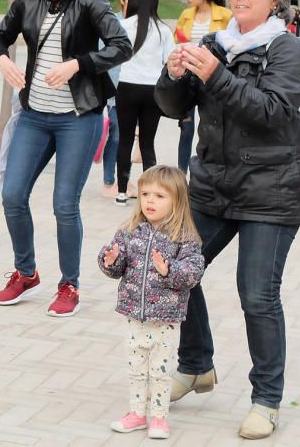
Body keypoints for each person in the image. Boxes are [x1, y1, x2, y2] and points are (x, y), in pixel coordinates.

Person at [155, 0, 300, 439]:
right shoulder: (213, 44)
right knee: (173, 267)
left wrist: (215, 74)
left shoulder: (287, 51)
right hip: (212, 186)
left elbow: (271, 112)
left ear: (275, 0)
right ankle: (196, 364)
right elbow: (173, 108)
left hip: (271, 192)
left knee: (257, 295)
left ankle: (266, 400)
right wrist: (174, 74)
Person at [0, 0, 131, 316]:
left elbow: (122, 46)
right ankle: (25, 272)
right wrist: (2, 60)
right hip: (35, 114)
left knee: (64, 204)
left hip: (77, 117)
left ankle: (69, 284)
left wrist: (78, 64)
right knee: (12, 195)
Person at [99, 165, 204, 440]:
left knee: (159, 369)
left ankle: (159, 418)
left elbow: (193, 272)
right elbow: (116, 266)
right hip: (134, 314)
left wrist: (169, 270)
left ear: (177, 200)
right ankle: (136, 413)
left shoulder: (184, 237)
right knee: (136, 367)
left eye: (159, 195)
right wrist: (109, 260)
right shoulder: (130, 230)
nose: (149, 201)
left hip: (166, 318)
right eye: (145, 193)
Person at [114, 0, 174, 206]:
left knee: (125, 140)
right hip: (152, 90)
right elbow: (170, 61)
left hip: (127, 87)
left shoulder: (122, 25)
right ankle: (150, 194)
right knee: (148, 143)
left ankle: (121, 192)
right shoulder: (164, 30)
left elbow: (113, 55)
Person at [173, 0, 232, 174]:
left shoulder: (226, 15)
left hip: (213, 78)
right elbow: (177, 41)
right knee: (186, 130)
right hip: (190, 78)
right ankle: (181, 175)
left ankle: (213, 172)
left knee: (212, 129)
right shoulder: (186, 15)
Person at [101, 0, 134, 199]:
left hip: (133, 88)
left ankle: (123, 180)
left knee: (126, 136)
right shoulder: (112, 22)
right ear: (122, 0)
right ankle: (108, 182)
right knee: (117, 134)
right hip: (112, 87)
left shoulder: (143, 25)